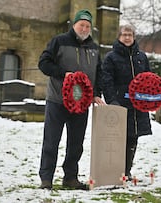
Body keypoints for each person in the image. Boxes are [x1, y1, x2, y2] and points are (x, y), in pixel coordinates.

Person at [38, 9, 105, 190]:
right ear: (74, 25)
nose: (84, 28)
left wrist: (97, 93)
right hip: (58, 101)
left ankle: (70, 178)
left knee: (76, 144)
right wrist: (63, 74)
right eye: (81, 25)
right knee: (51, 141)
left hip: (82, 104)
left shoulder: (94, 47)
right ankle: (46, 178)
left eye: (87, 26)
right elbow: (43, 63)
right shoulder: (59, 41)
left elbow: (98, 73)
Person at [101, 24, 152, 180]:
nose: (127, 37)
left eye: (130, 34)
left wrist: (150, 98)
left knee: (133, 137)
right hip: (120, 103)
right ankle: (115, 170)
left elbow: (148, 79)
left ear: (134, 37)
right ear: (119, 37)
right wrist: (112, 100)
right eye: (124, 35)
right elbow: (106, 80)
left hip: (138, 104)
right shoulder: (111, 57)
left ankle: (127, 171)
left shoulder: (141, 57)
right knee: (118, 138)